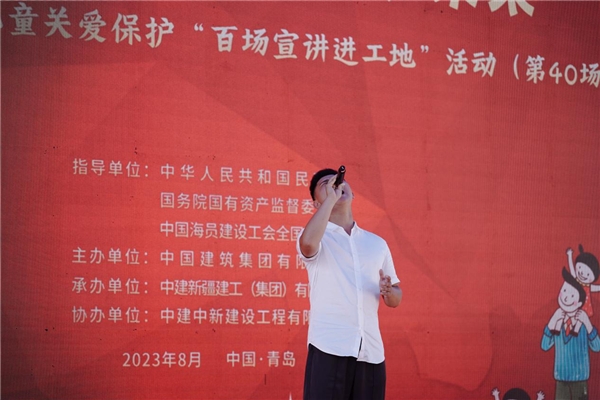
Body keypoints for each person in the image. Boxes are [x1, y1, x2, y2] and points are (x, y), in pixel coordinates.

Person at [297, 167, 402, 400]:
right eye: (325, 184)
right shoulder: (318, 237)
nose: (335, 184)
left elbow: (396, 296)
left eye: (338, 181)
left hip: (371, 353)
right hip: (329, 347)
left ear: (352, 194)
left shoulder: (376, 244)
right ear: (316, 204)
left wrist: (389, 292)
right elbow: (308, 245)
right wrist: (331, 199)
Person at [541, 268, 600, 400]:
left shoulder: (583, 324)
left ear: (579, 303)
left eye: (572, 295)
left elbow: (597, 347)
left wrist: (588, 324)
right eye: (564, 291)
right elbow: (544, 346)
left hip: (580, 379)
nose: (566, 297)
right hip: (561, 379)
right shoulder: (558, 323)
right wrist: (552, 321)